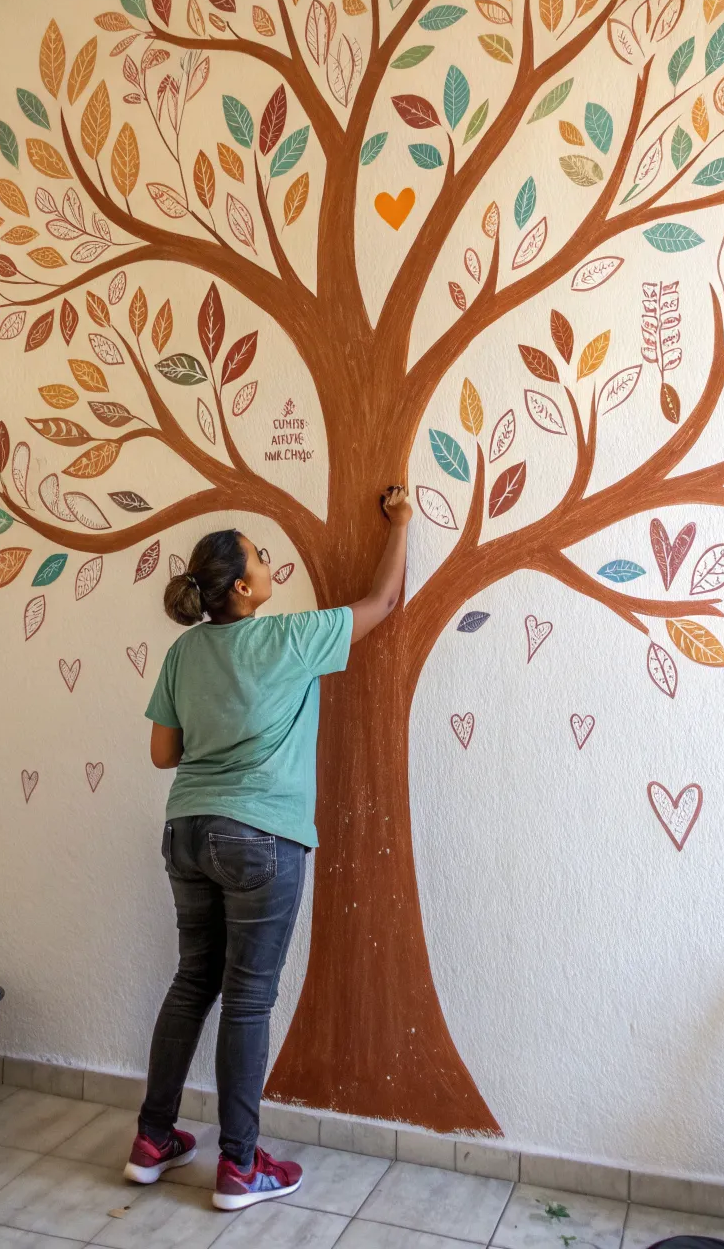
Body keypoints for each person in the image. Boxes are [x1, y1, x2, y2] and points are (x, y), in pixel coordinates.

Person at [124, 485, 413, 1210]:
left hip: (185, 829)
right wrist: (402, 524)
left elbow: (164, 754)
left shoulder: (185, 653)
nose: (267, 560)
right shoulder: (288, 638)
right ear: (245, 587)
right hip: (262, 838)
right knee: (249, 999)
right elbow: (382, 602)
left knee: (193, 981)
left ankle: (152, 1140)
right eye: (259, 556)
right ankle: (239, 1166)